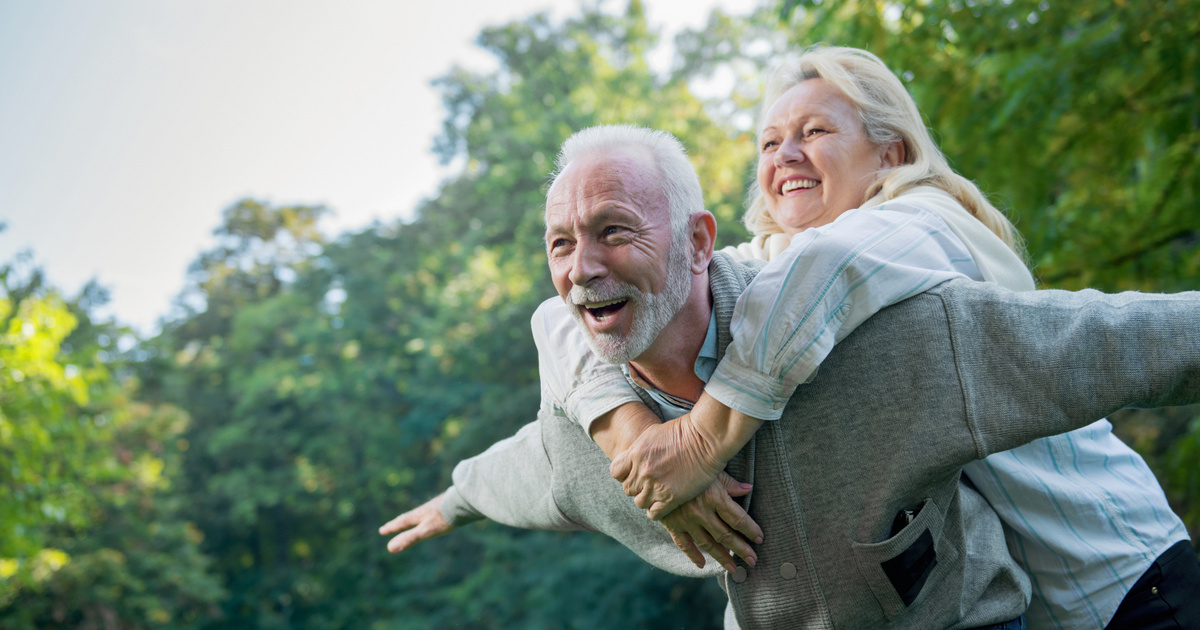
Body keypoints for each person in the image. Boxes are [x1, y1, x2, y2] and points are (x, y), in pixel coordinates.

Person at [381, 124, 1200, 629]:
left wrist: (705, 438)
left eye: (613, 231)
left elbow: (1107, 339)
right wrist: (456, 495)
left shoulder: (879, 337)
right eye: (561, 244)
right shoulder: (588, 429)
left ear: (700, 243)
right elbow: (527, 469)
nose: (582, 268)